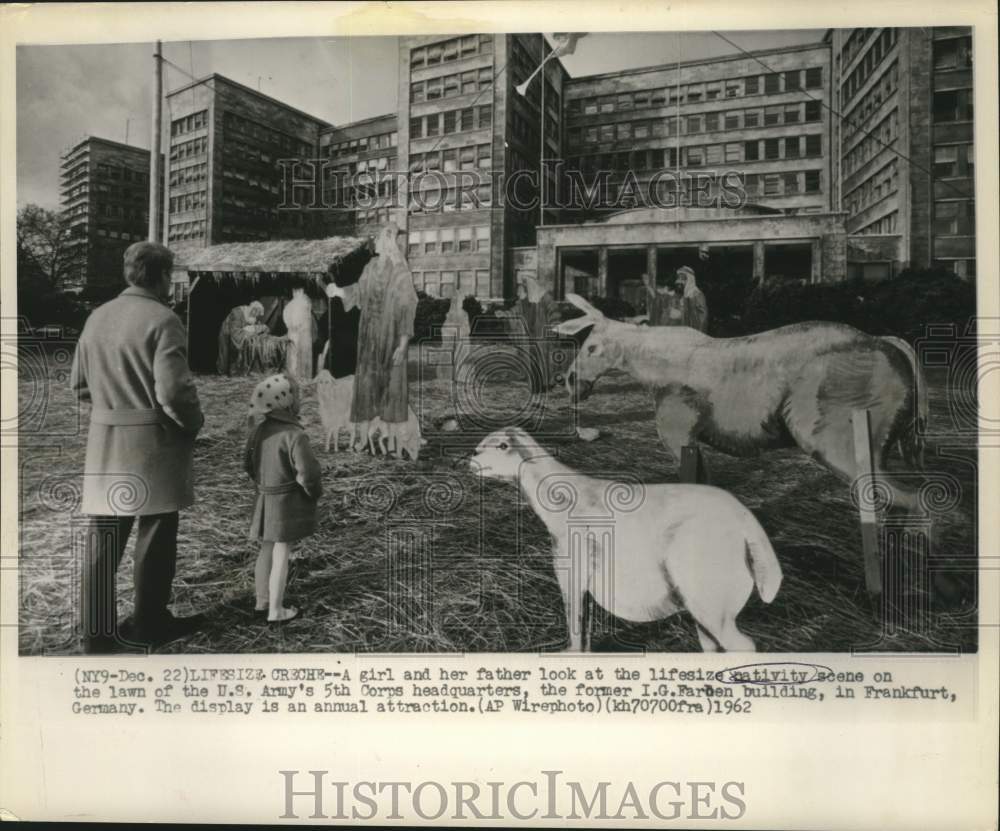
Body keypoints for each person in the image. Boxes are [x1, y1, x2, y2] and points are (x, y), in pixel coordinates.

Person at [70, 241, 205, 653]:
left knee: (103, 538)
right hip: (153, 445)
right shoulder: (164, 320)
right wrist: (194, 423)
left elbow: (79, 385)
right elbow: (174, 392)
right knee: (155, 534)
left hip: (106, 443)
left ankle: (96, 633)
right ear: (163, 276)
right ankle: (148, 622)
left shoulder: (97, 317)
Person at [243, 373, 322, 623]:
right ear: (287, 402)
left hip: (264, 499)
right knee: (281, 553)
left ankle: (261, 601)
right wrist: (313, 492)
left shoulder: (258, 432)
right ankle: (276, 612)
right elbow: (307, 474)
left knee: (265, 549)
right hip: (286, 503)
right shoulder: (295, 435)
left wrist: (264, 483)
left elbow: (247, 464)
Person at [348, 223, 418, 426]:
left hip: (390, 334)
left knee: (390, 380)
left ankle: (391, 434)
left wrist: (403, 344)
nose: (374, 242)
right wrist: (337, 290)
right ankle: (368, 430)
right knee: (368, 380)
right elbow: (357, 293)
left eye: (377, 238)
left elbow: (407, 308)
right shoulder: (369, 267)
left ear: (387, 242)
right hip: (369, 333)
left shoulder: (400, 272)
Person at [517, 275, 560, 397]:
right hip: (531, 336)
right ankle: (535, 387)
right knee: (532, 361)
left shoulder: (546, 298)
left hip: (542, 336)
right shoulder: (527, 301)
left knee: (544, 361)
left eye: (524, 287)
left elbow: (555, 314)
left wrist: (553, 329)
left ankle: (544, 385)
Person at [673, 265, 709, 332]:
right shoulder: (682, 295)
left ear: (690, 280)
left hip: (696, 333)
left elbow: (703, 317)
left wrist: (700, 334)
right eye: (678, 278)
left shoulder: (697, 294)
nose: (679, 281)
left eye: (682, 278)